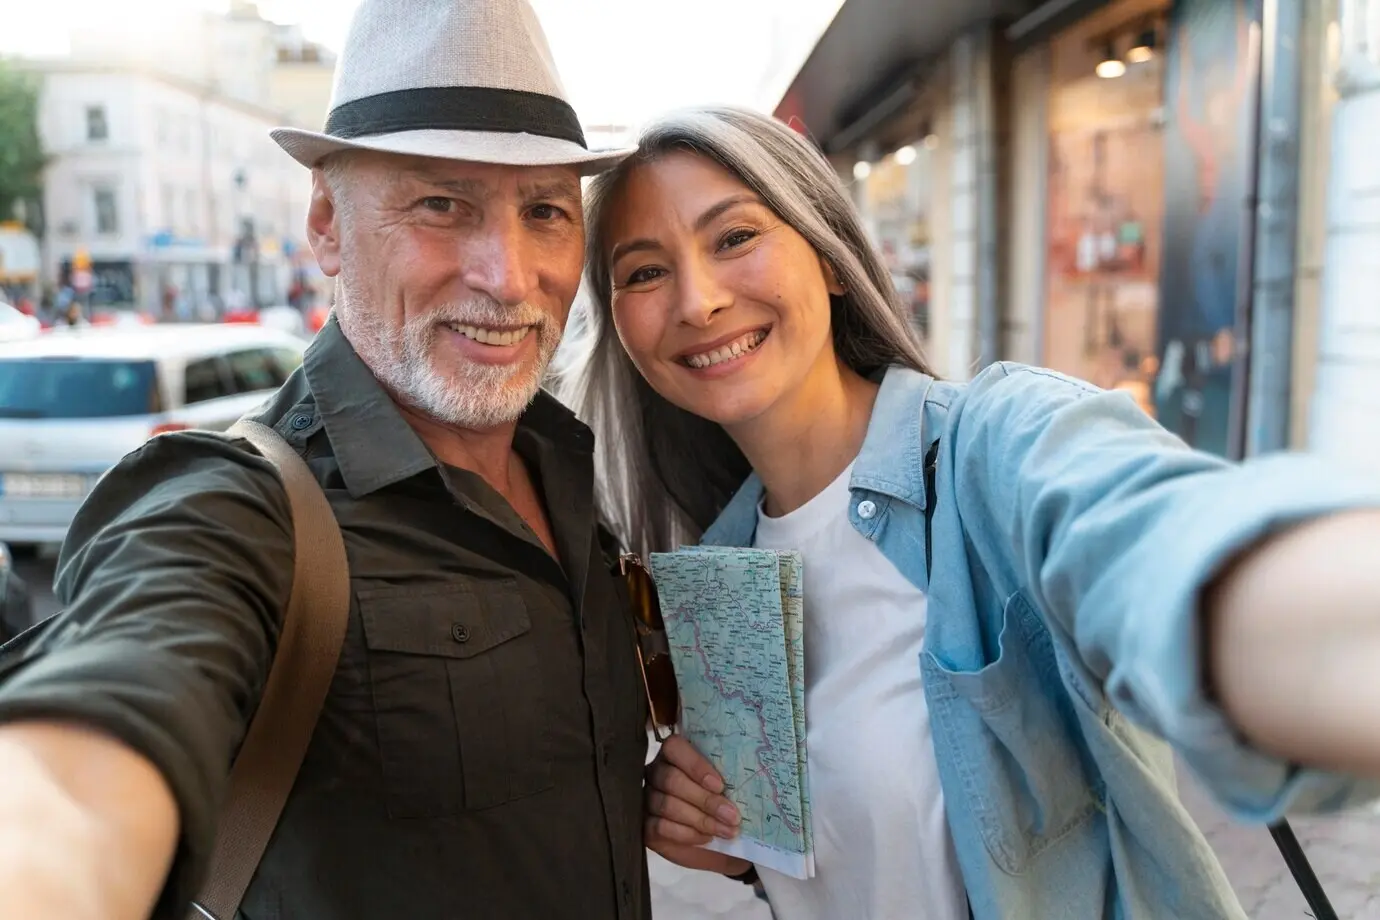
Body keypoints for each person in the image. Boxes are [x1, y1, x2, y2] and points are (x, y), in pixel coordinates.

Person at [560, 105, 1380, 919]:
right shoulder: (717, 575)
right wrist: (740, 845)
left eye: (735, 236)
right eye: (644, 272)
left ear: (832, 258)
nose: (698, 300)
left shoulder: (993, 444)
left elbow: (1148, 538)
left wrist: (1277, 613)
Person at [0, 3, 652, 919]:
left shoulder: (573, 462)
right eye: (441, 205)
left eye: (544, 210)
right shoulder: (241, 508)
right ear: (326, 223)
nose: (508, 276)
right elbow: (103, 728)